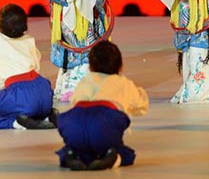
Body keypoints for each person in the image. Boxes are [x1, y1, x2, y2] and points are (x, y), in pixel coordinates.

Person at [56, 40, 148, 171]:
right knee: (126, 153)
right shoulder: (123, 83)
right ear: (120, 66)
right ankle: (113, 158)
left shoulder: (85, 81)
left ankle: (70, 156)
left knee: (73, 147)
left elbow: (75, 102)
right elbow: (141, 106)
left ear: (90, 67)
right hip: (104, 125)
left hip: (75, 123)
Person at [0, 4, 57, 130]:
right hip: (43, 90)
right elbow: (36, 63)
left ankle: (18, 123)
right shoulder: (29, 41)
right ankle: (47, 115)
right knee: (33, 106)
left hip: (19, 93)